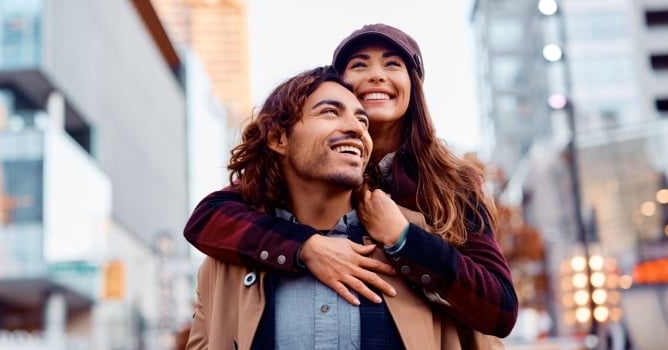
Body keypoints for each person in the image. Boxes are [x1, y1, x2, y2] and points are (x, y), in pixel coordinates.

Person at [184, 23, 518, 337]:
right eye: (359, 65)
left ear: (412, 85)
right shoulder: (308, 171)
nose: (376, 76)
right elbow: (208, 217)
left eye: (392, 65)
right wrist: (306, 246)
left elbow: (500, 306)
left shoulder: (452, 182)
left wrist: (404, 238)